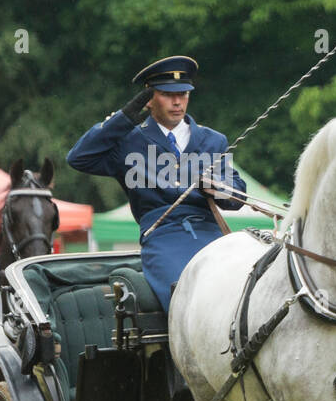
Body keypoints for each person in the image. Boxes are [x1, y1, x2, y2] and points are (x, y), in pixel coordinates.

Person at [67, 56, 245, 310]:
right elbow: (78, 158)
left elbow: (238, 196)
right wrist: (125, 117)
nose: (177, 101)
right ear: (148, 99)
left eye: (183, 94)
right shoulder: (128, 141)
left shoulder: (213, 140)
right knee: (185, 294)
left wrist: (218, 187)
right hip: (163, 237)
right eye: (166, 94)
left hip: (211, 233)